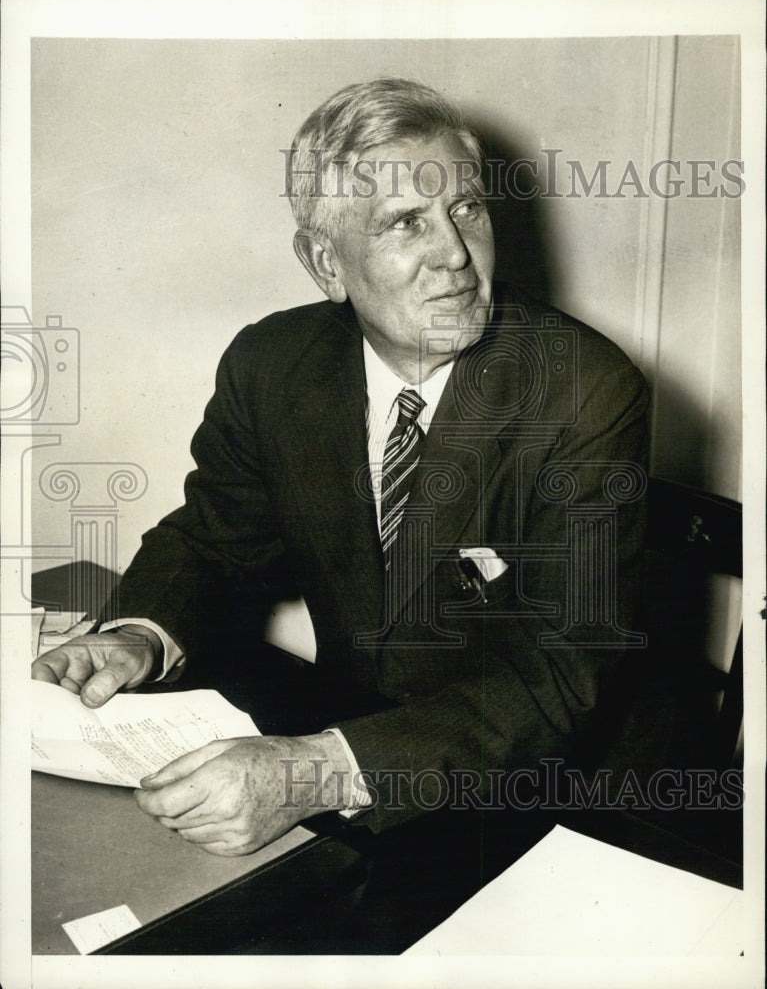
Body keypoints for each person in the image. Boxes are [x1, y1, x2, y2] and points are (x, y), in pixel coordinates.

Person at [32, 78, 649, 857]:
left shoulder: (583, 390)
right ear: (327, 263)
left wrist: (323, 771)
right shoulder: (275, 363)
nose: (455, 254)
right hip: (354, 748)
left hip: (556, 797)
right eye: (406, 222)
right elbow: (214, 541)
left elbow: (562, 677)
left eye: (466, 209)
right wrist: (140, 635)